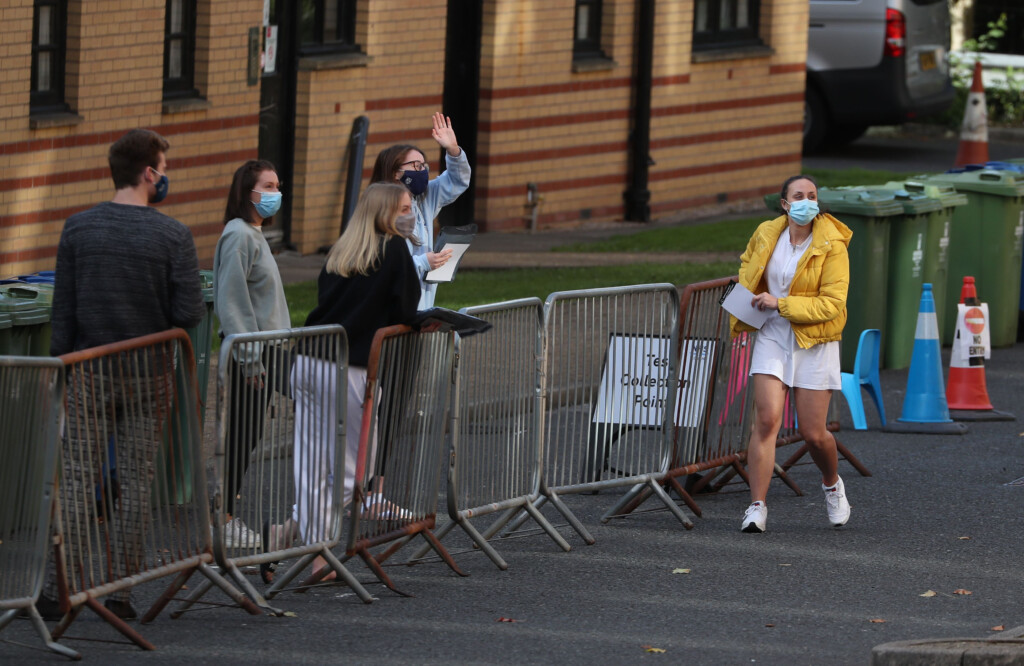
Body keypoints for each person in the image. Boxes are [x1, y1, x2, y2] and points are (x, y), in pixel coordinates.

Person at [46, 128, 206, 620]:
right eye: (163, 167)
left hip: (88, 367)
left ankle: (60, 589)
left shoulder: (78, 228)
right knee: (135, 483)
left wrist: (60, 367)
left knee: (76, 479)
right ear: (149, 173)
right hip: (150, 369)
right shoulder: (173, 234)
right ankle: (121, 592)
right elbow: (189, 312)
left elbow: (63, 311)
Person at [261, 182, 420, 583]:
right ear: (385, 212)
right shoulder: (394, 248)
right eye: (403, 207)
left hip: (309, 360)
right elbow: (408, 307)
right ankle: (314, 550)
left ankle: (302, 543)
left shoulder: (342, 251)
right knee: (355, 469)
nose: (409, 213)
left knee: (310, 463)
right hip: (351, 367)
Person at [731, 174, 853, 533]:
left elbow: (833, 303)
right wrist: (747, 295)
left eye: (812, 195)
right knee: (767, 420)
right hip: (772, 334)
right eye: (799, 196)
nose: (807, 202)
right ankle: (756, 506)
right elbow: (747, 266)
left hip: (815, 340)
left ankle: (831, 483)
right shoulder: (768, 232)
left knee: (814, 433)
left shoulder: (832, 243)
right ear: (785, 204)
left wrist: (781, 303)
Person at [211, 160, 291, 550]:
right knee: (242, 437)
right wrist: (249, 359)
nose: (277, 192)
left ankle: (226, 511)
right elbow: (232, 301)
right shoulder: (239, 236)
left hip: (268, 350)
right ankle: (224, 517)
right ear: (248, 193)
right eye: (269, 185)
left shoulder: (254, 235)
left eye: (278, 185)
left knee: (250, 434)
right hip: (253, 356)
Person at [369, 112, 471, 310]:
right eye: (416, 166)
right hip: (390, 310)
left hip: (421, 305)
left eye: (424, 165)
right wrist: (424, 262)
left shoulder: (423, 198)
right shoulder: (375, 211)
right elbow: (382, 267)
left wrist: (453, 150)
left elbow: (457, 181)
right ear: (394, 173)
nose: (422, 171)